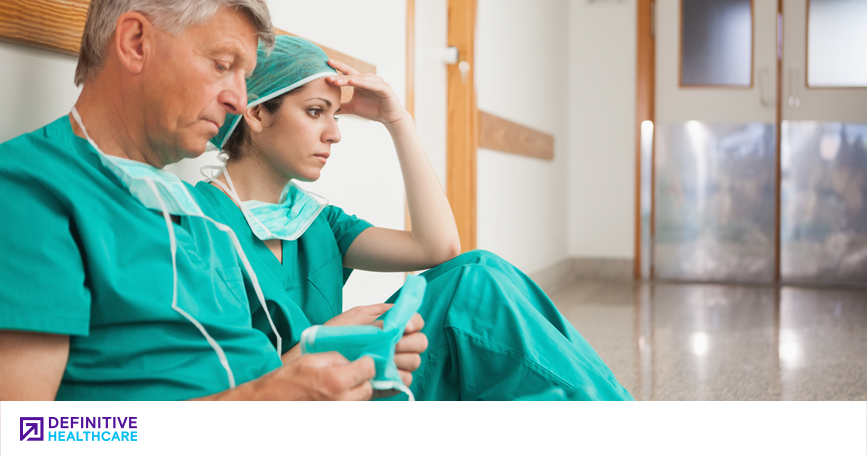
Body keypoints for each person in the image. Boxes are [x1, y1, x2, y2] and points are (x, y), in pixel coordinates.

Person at [0, 0, 425, 401]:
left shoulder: (197, 219)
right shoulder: (32, 193)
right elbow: (27, 432)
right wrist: (262, 403)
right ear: (136, 44)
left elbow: (244, 370)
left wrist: (322, 357)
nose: (239, 101)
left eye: (245, 77)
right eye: (223, 65)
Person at [196, 36, 634, 400]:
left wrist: (396, 120)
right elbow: (223, 392)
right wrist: (321, 339)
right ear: (255, 112)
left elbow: (438, 248)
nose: (335, 133)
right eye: (315, 112)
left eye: (335, 114)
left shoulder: (314, 221)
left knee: (478, 271)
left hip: (356, 382)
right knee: (477, 294)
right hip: (299, 407)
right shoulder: (197, 226)